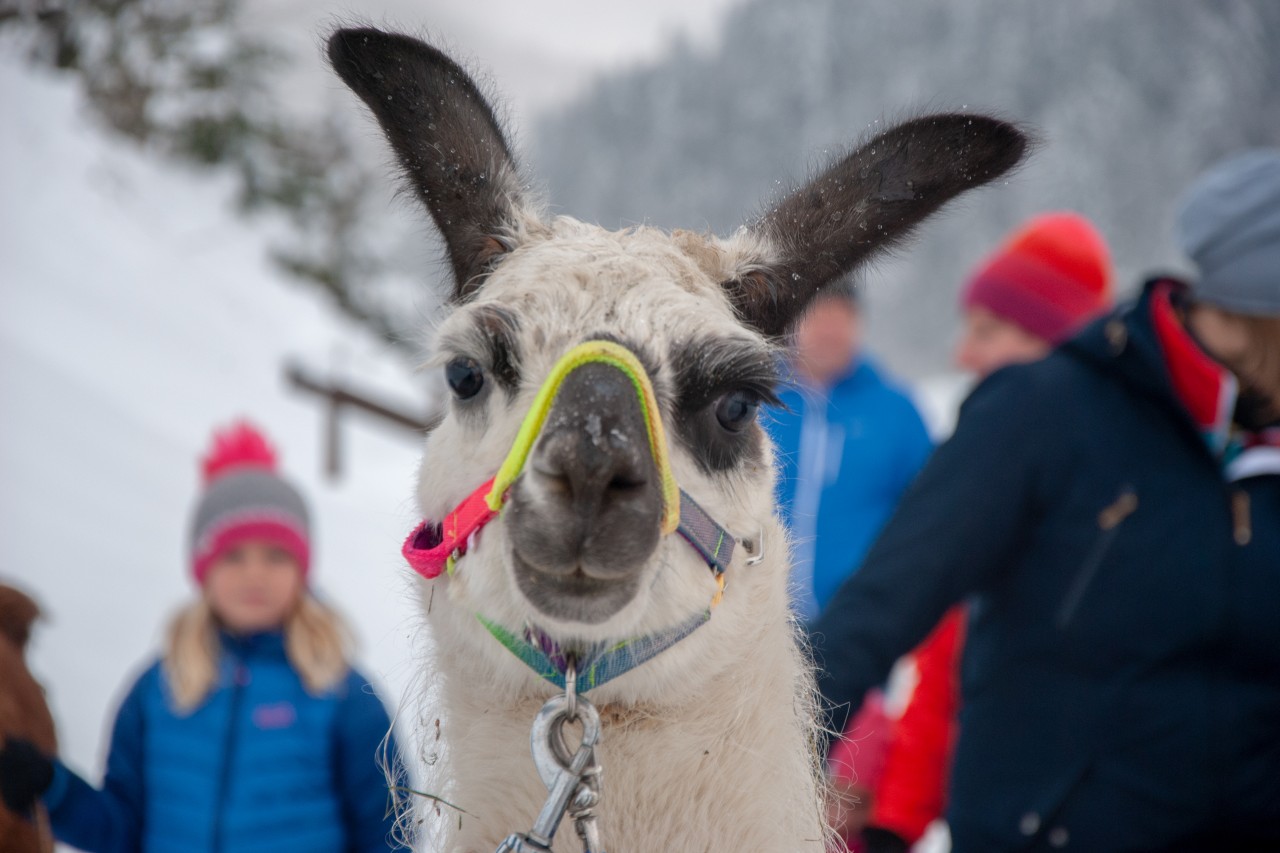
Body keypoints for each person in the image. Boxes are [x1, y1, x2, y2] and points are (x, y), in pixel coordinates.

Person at [810, 150, 1280, 851]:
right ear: (1254, 310)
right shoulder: (1037, 415)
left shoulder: (894, 414)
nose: (964, 354)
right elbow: (890, 614)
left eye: (987, 330)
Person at [0, 421, 406, 852]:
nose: (255, 574)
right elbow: (121, 831)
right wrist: (54, 792)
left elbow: (391, 835)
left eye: (275, 555)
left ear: (302, 569)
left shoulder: (344, 696)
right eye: (233, 555)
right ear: (203, 568)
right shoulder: (157, 690)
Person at [857, 212, 1114, 853]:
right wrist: (893, 825)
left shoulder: (1151, 494)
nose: (961, 354)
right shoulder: (992, 491)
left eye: (988, 331)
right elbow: (941, 677)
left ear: (1057, 347)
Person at [768, 278, 934, 623]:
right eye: (818, 316)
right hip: (757, 623)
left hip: (857, 624)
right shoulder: (757, 404)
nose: (830, 331)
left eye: (842, 318)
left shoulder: (895, 410)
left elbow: (927, 514)